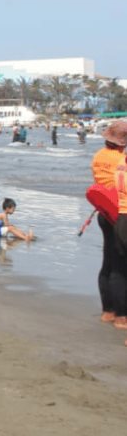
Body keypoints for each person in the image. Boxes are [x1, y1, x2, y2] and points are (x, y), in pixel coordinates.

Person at [91, 120, 127, 327]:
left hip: (104, 210)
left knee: (108, 260)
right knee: (121, 266)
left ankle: (108, 310)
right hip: (120, 211)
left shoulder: (98, 156)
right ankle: (122, 315)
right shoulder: (121, 160)